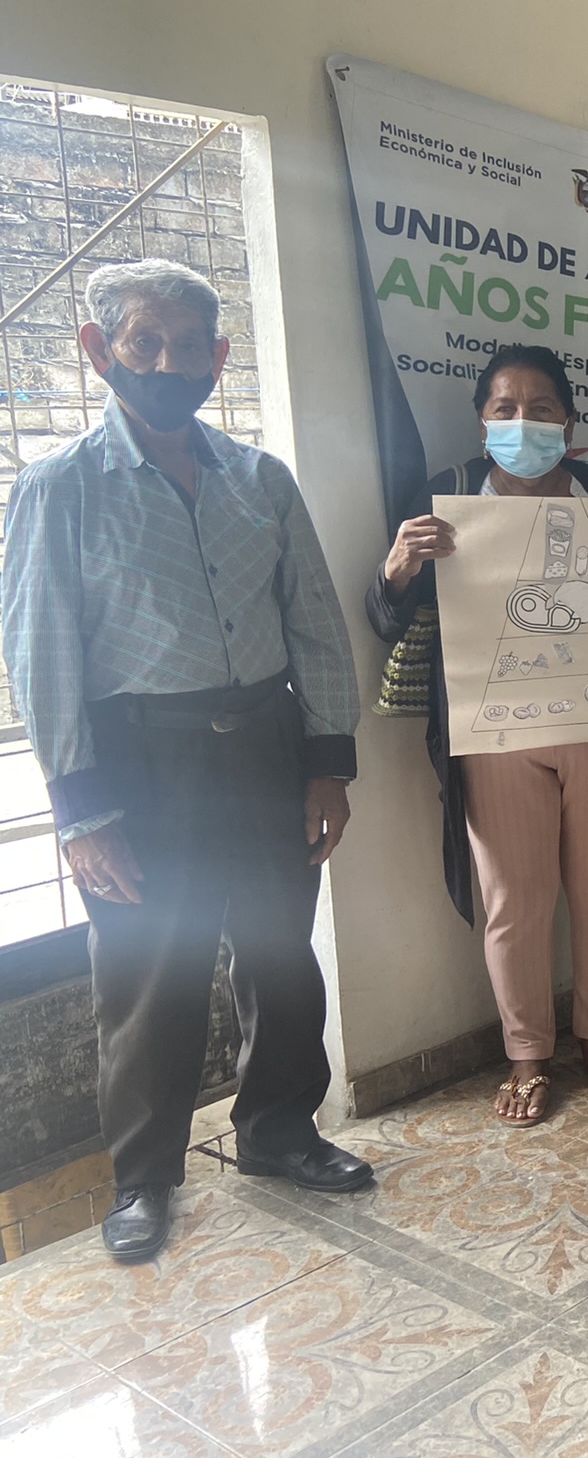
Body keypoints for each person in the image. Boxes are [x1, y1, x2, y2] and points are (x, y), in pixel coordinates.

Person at [0, 260, 370, 1262]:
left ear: (219, 357)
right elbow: (41, 656)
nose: (167, 365)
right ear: (98, 350)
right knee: (146, 973)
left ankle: (280, 1131)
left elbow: (315, 626)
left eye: (188, 347)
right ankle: (145, 1178)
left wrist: (328, 763)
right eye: (143, 343)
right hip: (139, 766)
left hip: (266, 748)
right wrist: (81, 812)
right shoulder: (59, 489)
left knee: (279, 955)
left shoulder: (260, 481)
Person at [367, 344, 588, 1126]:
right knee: (514, 900)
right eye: (505, 409)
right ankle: (527, 1055)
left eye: (541, 409)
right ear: (482, 424)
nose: (523, 423)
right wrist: (399, 566)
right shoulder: (444, 495)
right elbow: (383, 617)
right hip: (497, 735)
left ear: (570, 424)